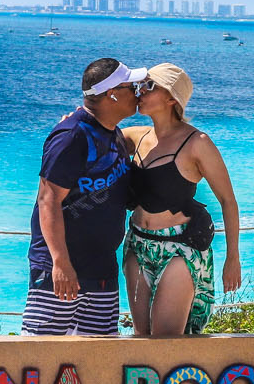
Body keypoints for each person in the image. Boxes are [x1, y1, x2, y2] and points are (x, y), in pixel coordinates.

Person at [25, 58, 141, 337]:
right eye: (132, 87)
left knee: (99, 355)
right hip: (62, 269)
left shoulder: (112, 133)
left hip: (102, 268)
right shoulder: (72, 136)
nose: (138, 93)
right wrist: (60, 263)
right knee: (43, 353)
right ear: (112, 94)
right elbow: (48, 200)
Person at [122, 63, 241, 336]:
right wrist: (74, 121)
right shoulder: (135, 136)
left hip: (179, 248)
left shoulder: (197, 143)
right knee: (141, 336)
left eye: (149, 86)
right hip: (137, 244)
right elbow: (95, 136)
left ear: (171, 98)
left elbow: (228, 200)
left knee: (165, 339)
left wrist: (232, 258)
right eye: (141, 85)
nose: (141, 91)